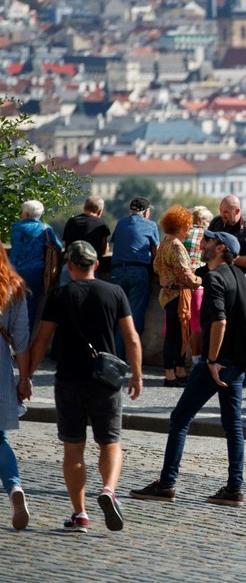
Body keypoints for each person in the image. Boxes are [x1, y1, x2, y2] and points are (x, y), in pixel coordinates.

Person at [130, 230, 246, 507]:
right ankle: (234, 488)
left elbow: (220, 322)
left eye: (207, 241)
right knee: (233, 426)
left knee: (180, 418)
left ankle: (167, 483)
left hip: (219, 363)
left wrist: (212, 360)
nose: (202, 245)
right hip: (238, 363)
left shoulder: (216, 278)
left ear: (220, 248)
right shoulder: (241, 279)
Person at [28, 240, 143, 533]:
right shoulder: (114, 292)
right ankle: (108, 490)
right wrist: (137, 375)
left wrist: (26, 375)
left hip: (68, 379)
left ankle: (80, 514)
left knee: (73, 448)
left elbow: (41, 339)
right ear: (96, 264)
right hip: (105, 381)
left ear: (69, 266)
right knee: (111, 442)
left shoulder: (59, 294)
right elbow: (131, 338)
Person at [152, 206, 203, 387]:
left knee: (176, 334)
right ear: (179, 226)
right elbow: (186, 275)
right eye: (187, 227)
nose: (189, 230)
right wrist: (200, 279)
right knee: (178, 335)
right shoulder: (176, 246)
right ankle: (171, 374)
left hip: (167, 293)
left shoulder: (164, 242)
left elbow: (156, 267)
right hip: (178, 295)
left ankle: (177, 371)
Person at [0, 244, 31, 530]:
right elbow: (21, 340)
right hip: (0, 366)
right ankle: (14, 487)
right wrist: (24, 378)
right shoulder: (13, 287)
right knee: (0, 438)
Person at [110, 196, 159, 348]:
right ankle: (131, 354)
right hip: (138, 271)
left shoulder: (120, 223)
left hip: (117, 271)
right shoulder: (151, 225)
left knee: (118, 313)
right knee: (135, 315)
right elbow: (155, 251)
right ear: (146, 212)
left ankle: (116, 354)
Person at [9, 199, 62, 329]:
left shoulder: (15, 227)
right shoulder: (45, 228)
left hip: (15, 269)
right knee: (30, 306)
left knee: (13, 304)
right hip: (35, 270)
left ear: (26, 214)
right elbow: (58, 246)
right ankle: (26, 337)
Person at [59, 195, 110, 286]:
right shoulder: (101, 225)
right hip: (89, 268)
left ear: (84, 207)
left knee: (64, 297)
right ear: (100, 211)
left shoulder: (71, 222)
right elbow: (103, 249)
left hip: (69, 266)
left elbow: (66, 244)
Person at [185, 206, 213, 368]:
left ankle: (177, 364)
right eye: (208, 221)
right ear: (203, 221)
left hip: (181, 284)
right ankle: (197, 362)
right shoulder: (206, 236)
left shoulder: (182, 234)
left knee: (183, 325)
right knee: (197, 324)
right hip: (199, 283)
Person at [208, 195, 246, 270]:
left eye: (226, 212)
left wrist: (229, 258)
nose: (222, 215)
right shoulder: (216, 222)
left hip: (238, 275)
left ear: (237, 211)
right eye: (221, 211)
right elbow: (207, 241)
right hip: (215, 270)